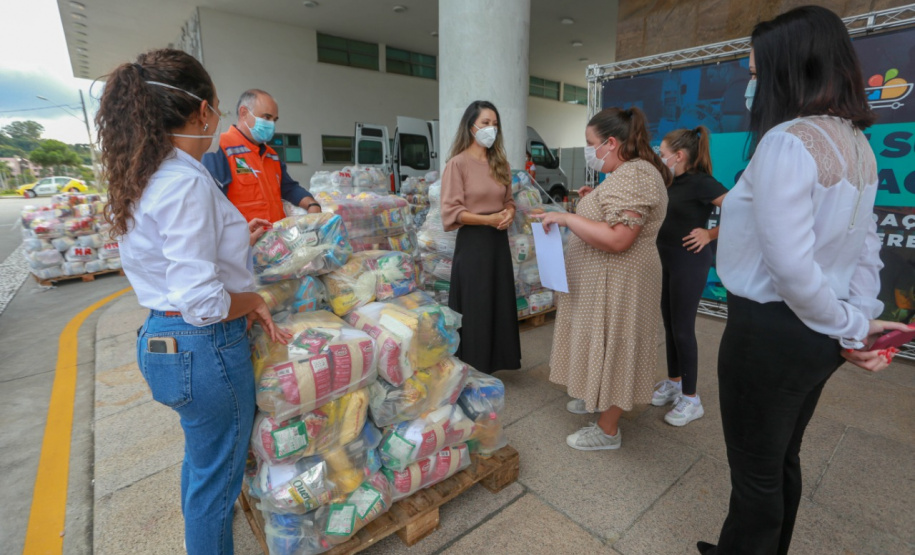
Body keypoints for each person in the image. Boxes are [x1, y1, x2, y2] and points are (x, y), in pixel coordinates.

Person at [697, 6, 910, 554]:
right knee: (779, 458)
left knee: (755, 474)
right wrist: (853, 318)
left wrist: (850, 324)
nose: (751, 87)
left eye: (756, 73)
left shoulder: (787, 141)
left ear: (788, 69)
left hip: (769, 332)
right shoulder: (857, 143)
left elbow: (790, 267)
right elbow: (867, 247)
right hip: (814, 333)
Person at [96, 49, 288, 554]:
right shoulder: (185, 182)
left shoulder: (149, 173)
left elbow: (171, 259)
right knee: (216, 488)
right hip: (204, 348)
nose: (217, 116)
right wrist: (253, 298)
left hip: (164, 339)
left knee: (203, 465)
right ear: (202, 110)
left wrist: (235, 239)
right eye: (217, 107)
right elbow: (204, 301)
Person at [533, 107, 671, 450]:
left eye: (589, 143)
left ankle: (608, 430)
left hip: (622, 283)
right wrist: (590, 203)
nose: (588, 150)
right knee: (600, 341)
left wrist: (568, 219)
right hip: (606, 282)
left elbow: (619, 238)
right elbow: (613, 218)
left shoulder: (636, 174)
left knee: (616, 344)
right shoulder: (627, 172)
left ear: (611, 143)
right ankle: (597, 395)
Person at [653, 126, 728, 426]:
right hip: (667, 259)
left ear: (679, 155)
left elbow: (744, 210)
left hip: (689, 262)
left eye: (663, 154)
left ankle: (691, 398)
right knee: (670, 325)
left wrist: (709, 234)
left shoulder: (701, 182)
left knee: (683, 329)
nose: (660, 158)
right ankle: (675, 382)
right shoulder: (670, 180)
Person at [440, 100, 521, 374]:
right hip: (473, 243)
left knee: (498, 301)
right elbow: (452, 211)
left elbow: (509, 201)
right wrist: (487, 219)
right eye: (485, 123)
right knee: (476, 304)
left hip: (497, 242)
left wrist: (509, 212)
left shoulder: (501, 164)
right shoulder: (457, 164)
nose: (491, 129)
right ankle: (474, 365)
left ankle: (497, 361)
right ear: (470, 126)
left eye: (495, 124)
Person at [203, 89, 321, 223]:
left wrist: (312, 204)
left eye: (274, 120)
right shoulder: (219, 148)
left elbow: (289, 188)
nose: (271, 125)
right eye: (266, 117)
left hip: (276, 234)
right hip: (244, 235)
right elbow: (212, 203)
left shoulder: (271, 155)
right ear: (244, 113)